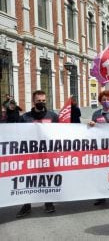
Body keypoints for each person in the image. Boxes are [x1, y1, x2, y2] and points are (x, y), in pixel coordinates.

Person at [16, 90, 59, 218]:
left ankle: (48, 202)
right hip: (30, 155)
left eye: (43, 101)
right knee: (28, 179)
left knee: (47, 178)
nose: (41, 103)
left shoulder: (53, 116)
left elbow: (60, 133)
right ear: (33, 101)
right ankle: (26, 204)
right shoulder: (25, 117)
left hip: (47, 155)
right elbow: (17, 134)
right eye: (39, 101)